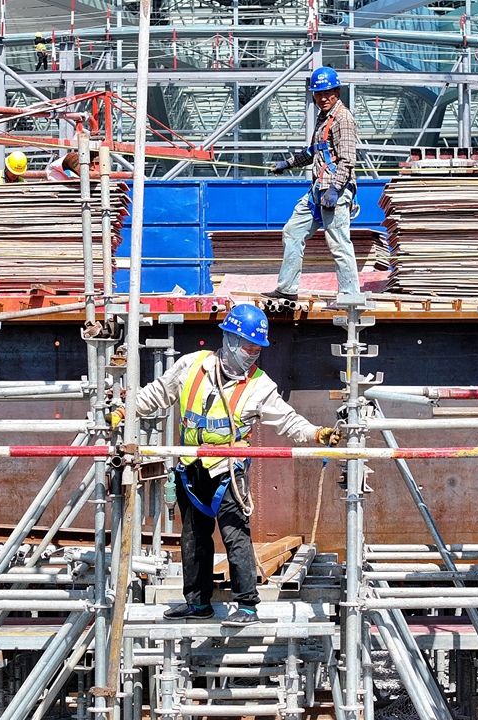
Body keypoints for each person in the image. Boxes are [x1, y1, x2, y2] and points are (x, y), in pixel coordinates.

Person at [110, 304, 342, 626]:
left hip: (227, 471)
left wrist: (316, 433)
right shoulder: (192, 366)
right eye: (247, 347)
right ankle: (197, 604)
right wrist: (124, 408)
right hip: (191, 467)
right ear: (230, 340)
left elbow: (287, 420)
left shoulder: (260, 385)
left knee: (235, 535)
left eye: (256, 349)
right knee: (193, 537)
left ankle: (247, 606)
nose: (252, 355)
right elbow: (157, 395)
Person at [263, 66, 361, 303]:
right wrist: (286, 164)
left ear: (337, 91)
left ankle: (350, 294)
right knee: (293, 231)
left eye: (328, 92)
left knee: (338, 242)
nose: (323, 97)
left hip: (334, 192)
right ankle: (287, 288)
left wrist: (335, 190)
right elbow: (314, 153)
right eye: (318, 93)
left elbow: (348, 160)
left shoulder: (343, 119)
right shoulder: (323, 118)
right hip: (318, 192)